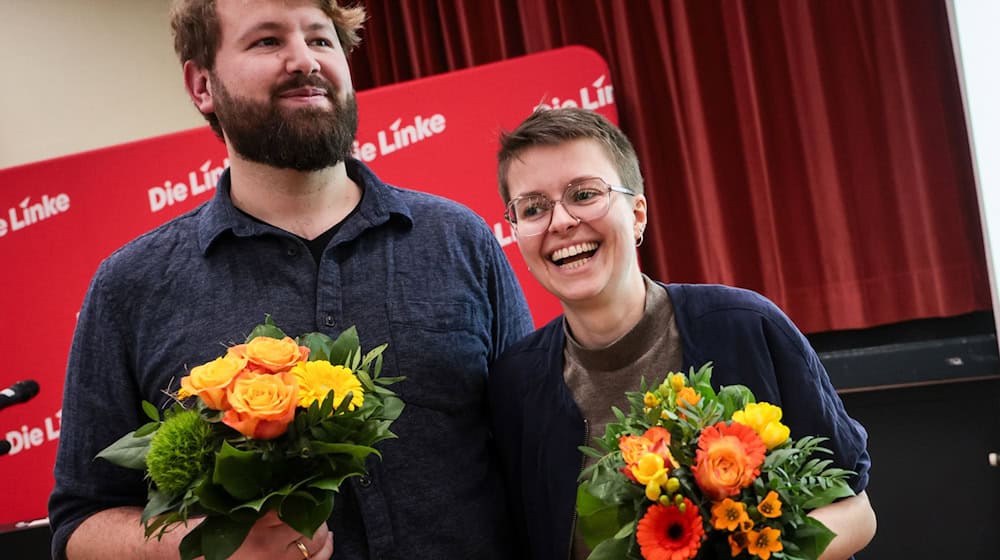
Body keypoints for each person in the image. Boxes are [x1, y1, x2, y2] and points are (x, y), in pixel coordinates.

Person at [47, 1, 533, 559]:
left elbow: (536, 455)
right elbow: (79, 527)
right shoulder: (130, 286)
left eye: (321, 40)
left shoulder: (459, 240)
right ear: (202, 84)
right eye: (267, 41)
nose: (304, 60)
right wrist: (210, 547)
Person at [488, 107, 877, 560]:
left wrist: (746, 553)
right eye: (533, 207)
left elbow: (855, 512)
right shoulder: (515, 385)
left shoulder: (744, 326)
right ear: (515, 231)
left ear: (637, 215)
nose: (560, 222)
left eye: (584, 194)